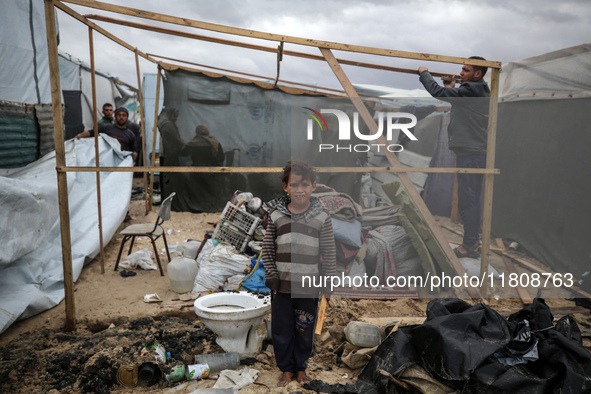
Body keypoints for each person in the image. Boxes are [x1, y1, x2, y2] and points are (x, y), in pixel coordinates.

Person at [262, 160, 337, 387]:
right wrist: (272, 277)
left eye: (305, 184)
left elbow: (329, 251)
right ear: (285, 187)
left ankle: (301, 369)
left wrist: (328, 281)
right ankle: (286, 370)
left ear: (314, 186)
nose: (300, 190)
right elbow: (267, 249)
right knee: (282, 329)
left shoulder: (322, 217)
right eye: (294, 185)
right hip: (282, 286)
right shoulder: (276, 216)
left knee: (304, 329)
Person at [418, 56, 490, 258]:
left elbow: (437, 92)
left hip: (470, 153)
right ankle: (473, 243)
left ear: (477, 74)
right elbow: (459, 103)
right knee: (472, 199)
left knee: (468, 200)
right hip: (474, 152)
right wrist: (452, 87)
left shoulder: (473, 89)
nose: (461, 73)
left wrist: (424, 73)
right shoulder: (476, 90)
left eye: (465, 70)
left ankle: (469, 245)